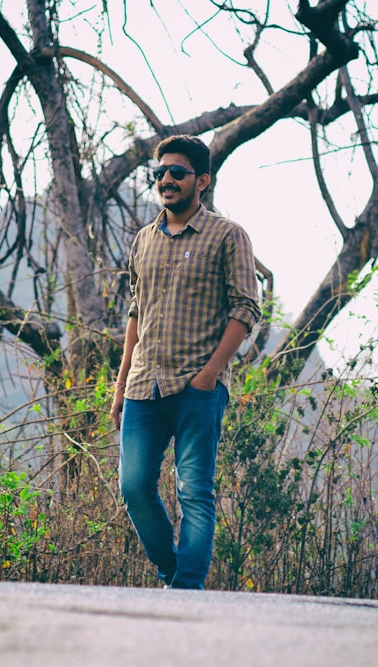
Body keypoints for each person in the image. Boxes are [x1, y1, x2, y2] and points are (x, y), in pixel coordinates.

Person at [110, 134, 261, 589]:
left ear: (202, 181)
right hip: (143, 388)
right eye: (160, 173)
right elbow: (136, 313)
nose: (166, 180)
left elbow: (246, 309)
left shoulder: (229, 236)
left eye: (177, 172)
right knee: (134, 487)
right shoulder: (143, 241)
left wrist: (209, 375)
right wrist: (119, 388)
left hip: (198, 388)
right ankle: (173, 573)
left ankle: (188, 590)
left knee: (194, 491)